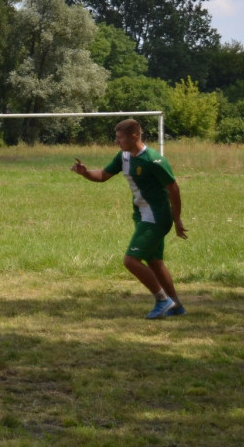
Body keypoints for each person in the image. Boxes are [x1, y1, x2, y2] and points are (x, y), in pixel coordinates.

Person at [72, 118, 189, 319]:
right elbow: (103, 175)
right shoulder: (124, 156)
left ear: (134, 136)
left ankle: (163, 300)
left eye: (120, 138)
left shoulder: (153, 160)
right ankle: (176, 305)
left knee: (131, 261)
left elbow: (174, 188)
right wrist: (85, 173)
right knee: (154, 262)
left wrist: (177, 219)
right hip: (141, 215)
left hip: (156, 217)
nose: (117, 142)